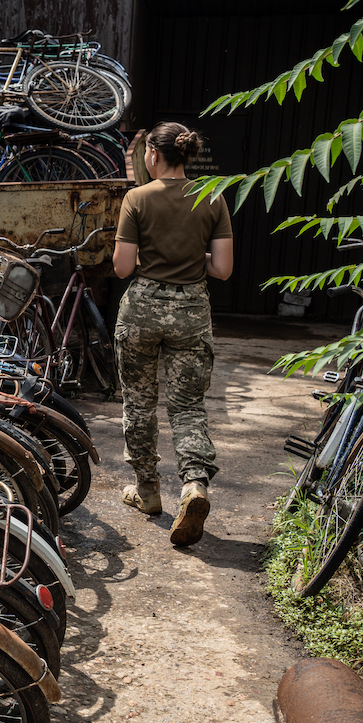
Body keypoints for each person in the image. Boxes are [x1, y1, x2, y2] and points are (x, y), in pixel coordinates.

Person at [113, 122, 234, 546]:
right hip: (190, 313)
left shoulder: (136, 198)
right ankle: (194, 484)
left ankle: (147, 491)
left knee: (139, 403)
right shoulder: (212, 196)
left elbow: (123, 268)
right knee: (187, 407)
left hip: (141, 311)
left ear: (152, 155)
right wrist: (190, 253)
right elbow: (221, 269)